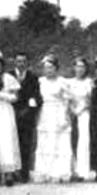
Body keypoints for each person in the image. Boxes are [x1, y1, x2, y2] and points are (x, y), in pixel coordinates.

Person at [32, 54, 73, 183]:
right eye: (46, 68)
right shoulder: (40, 81)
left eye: (51, 67)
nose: (48, 70)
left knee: (59, 140)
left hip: (58, 111)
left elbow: (67, 100)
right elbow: (36, 97)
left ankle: (59, 172)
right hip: (45, 112)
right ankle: (44, 171)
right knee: (45, 140)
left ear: (56, 68)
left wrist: (65, 116)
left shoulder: (62, 82)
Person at [0, 49, 21, 186]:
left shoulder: (8, 78)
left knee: (6, 139)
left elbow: (15, 98)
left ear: (2, 66)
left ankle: (9, 172)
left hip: (4, 110)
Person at [13, 51, 43, 183]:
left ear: (27, 63)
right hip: (10, 114)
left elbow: (37, 97)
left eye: (23, 61)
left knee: (26, 145)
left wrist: (29, 109)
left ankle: (24, 173)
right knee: (11, 144)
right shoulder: (8, 75)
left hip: (27, 116)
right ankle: (12, 172)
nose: (21, 64)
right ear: (14, 62)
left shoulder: (33, 77)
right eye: (18, 61)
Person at [68, 57, 93, 181]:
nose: (80, 69)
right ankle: (72, 170)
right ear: (74, 68)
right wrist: (72, 110)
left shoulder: (89, 82)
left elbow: (90, 100)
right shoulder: (69, 82)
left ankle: (82, 171)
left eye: (82, 66)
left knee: (83, 140)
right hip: (71, 112)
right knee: (70, 140)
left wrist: (80, 110)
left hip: (84, 113)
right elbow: (67, 98)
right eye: (77, 66)